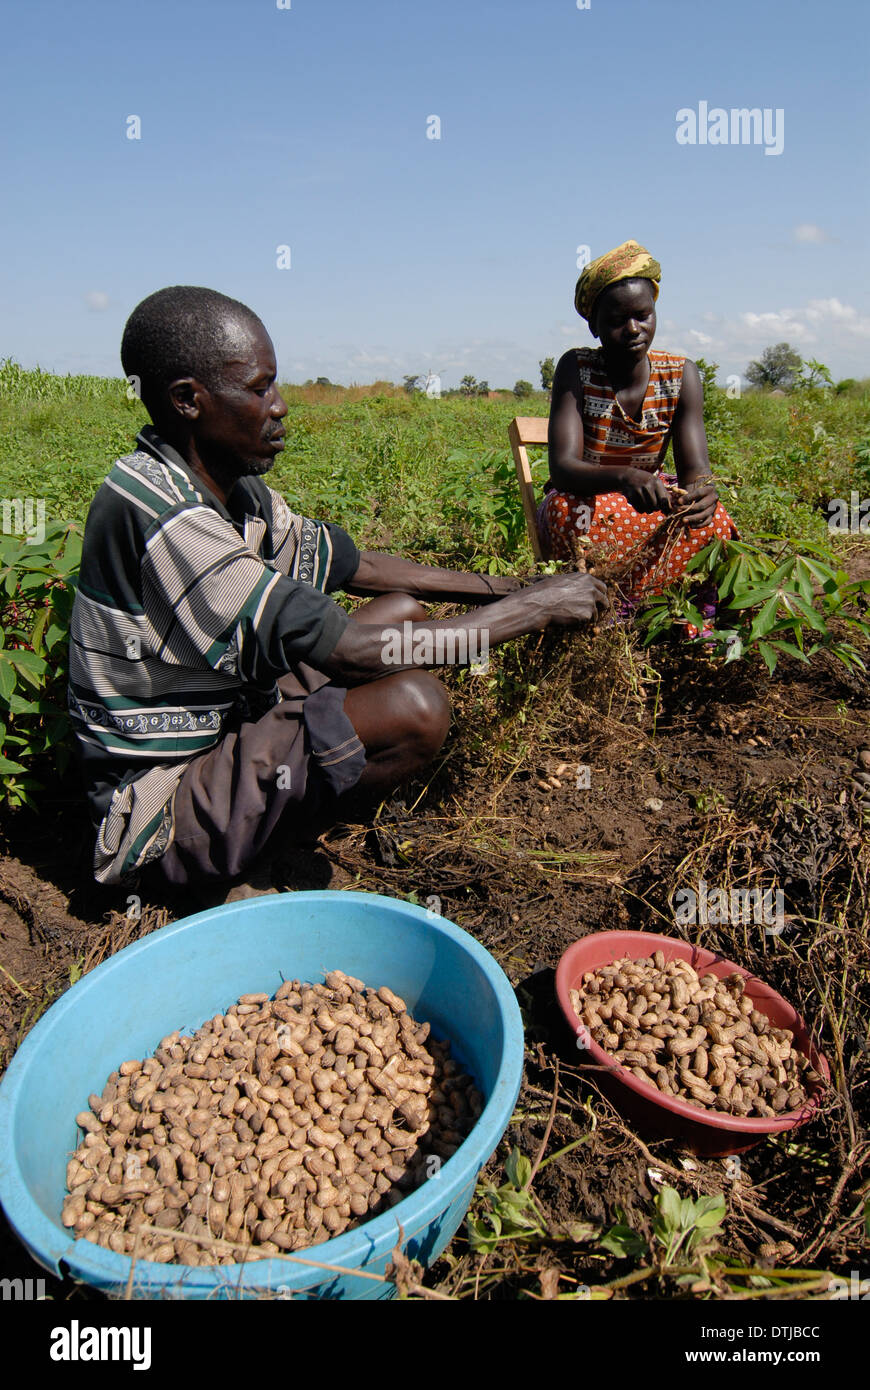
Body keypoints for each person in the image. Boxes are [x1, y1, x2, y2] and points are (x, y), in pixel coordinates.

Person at [69, 286, 608, 895]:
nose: (279, 407)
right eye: (258, 388)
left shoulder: (221, 487)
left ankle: (276, 808)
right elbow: (352, 651)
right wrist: (534, 609)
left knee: (404, 612)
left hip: (229, 722)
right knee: (416, 706)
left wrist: (514, 587)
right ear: (189, 401)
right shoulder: (168, 519)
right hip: (157, 811)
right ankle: (240, 859)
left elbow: (360, 567)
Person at [538, 240, 737, 627]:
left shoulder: (681, 376)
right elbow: (562, 468)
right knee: (568, 510)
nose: (633, 329)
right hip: (587, 500)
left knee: (713, 521)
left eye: (643, 315)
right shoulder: (576, 368)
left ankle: (665, 610)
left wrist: (701, 494)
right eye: (616, 320)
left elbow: (695, 469)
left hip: (649, 501)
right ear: (593, 325)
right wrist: (625, 477)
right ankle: (610, 606)